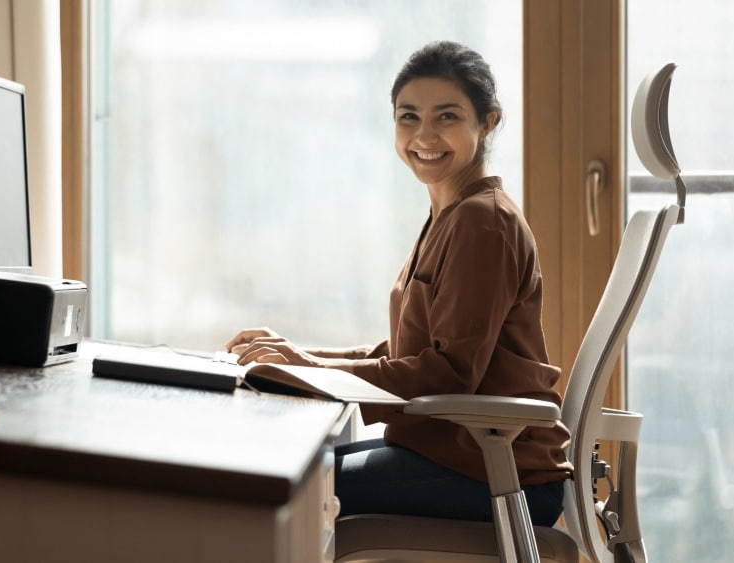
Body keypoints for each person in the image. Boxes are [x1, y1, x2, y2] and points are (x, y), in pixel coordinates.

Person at [225, 40, 572, 527]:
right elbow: (412, 351)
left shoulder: (482, 223)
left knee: (273, 489)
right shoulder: (451, 213)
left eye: (447, 117)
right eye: (409, 117)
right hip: (457, 458)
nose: (424, 135)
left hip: (492, 473)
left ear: (487, 122)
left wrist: (310, 370)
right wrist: (305, 361)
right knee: (284, 468)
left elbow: (448, 373)